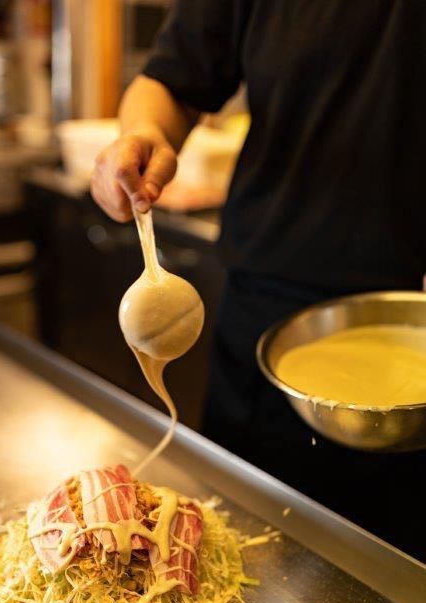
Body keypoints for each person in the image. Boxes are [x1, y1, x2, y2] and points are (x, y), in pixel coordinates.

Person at [91, 1, 425, 562]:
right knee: (243, 553)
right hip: (268, 314)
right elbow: (171, 81)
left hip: (411, 313)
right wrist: (146, 132)